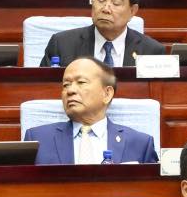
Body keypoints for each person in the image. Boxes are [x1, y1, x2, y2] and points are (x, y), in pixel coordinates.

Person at [23, 57, 158, 165]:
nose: (70, 90)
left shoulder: (140, 144)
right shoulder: (38, 140)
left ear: (107, 94)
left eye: (81, 82)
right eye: (66, 85)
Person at [40, 0, 165, 67]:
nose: (106, 9)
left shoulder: (151, 52)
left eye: (116, 3)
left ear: (132, 11)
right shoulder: (62, 45)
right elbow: (44, 88)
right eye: (100, 0)